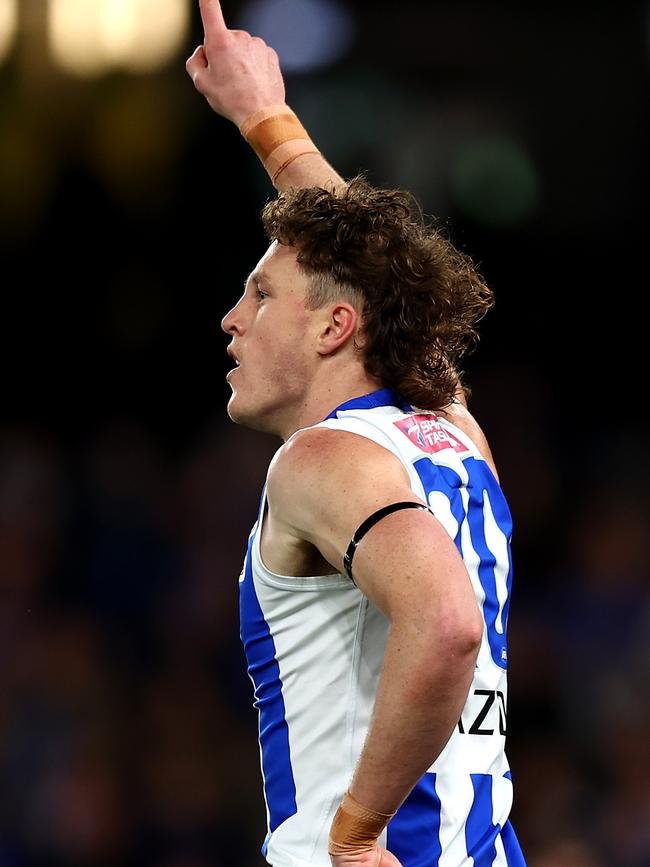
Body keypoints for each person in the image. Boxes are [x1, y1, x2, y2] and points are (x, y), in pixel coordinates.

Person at [186, 3, 527, 866]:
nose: (232, 318)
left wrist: (355, 832)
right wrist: (266, 120)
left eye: (260, 296)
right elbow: (388, 272)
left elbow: (446, 621)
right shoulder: (452, 427)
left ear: (335, 327)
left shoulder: (322, 457)